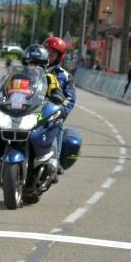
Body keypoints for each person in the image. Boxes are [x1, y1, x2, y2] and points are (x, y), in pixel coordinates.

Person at [43, 37, 77, 170]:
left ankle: (55, 162)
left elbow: (71, 97)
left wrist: (62, 110)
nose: (49, 54)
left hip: (51, 114)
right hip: (31, 111)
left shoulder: (65, 76)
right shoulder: (33, 69)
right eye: (47, 51)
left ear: (59, 56)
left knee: (57, 124)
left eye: (53, 52)